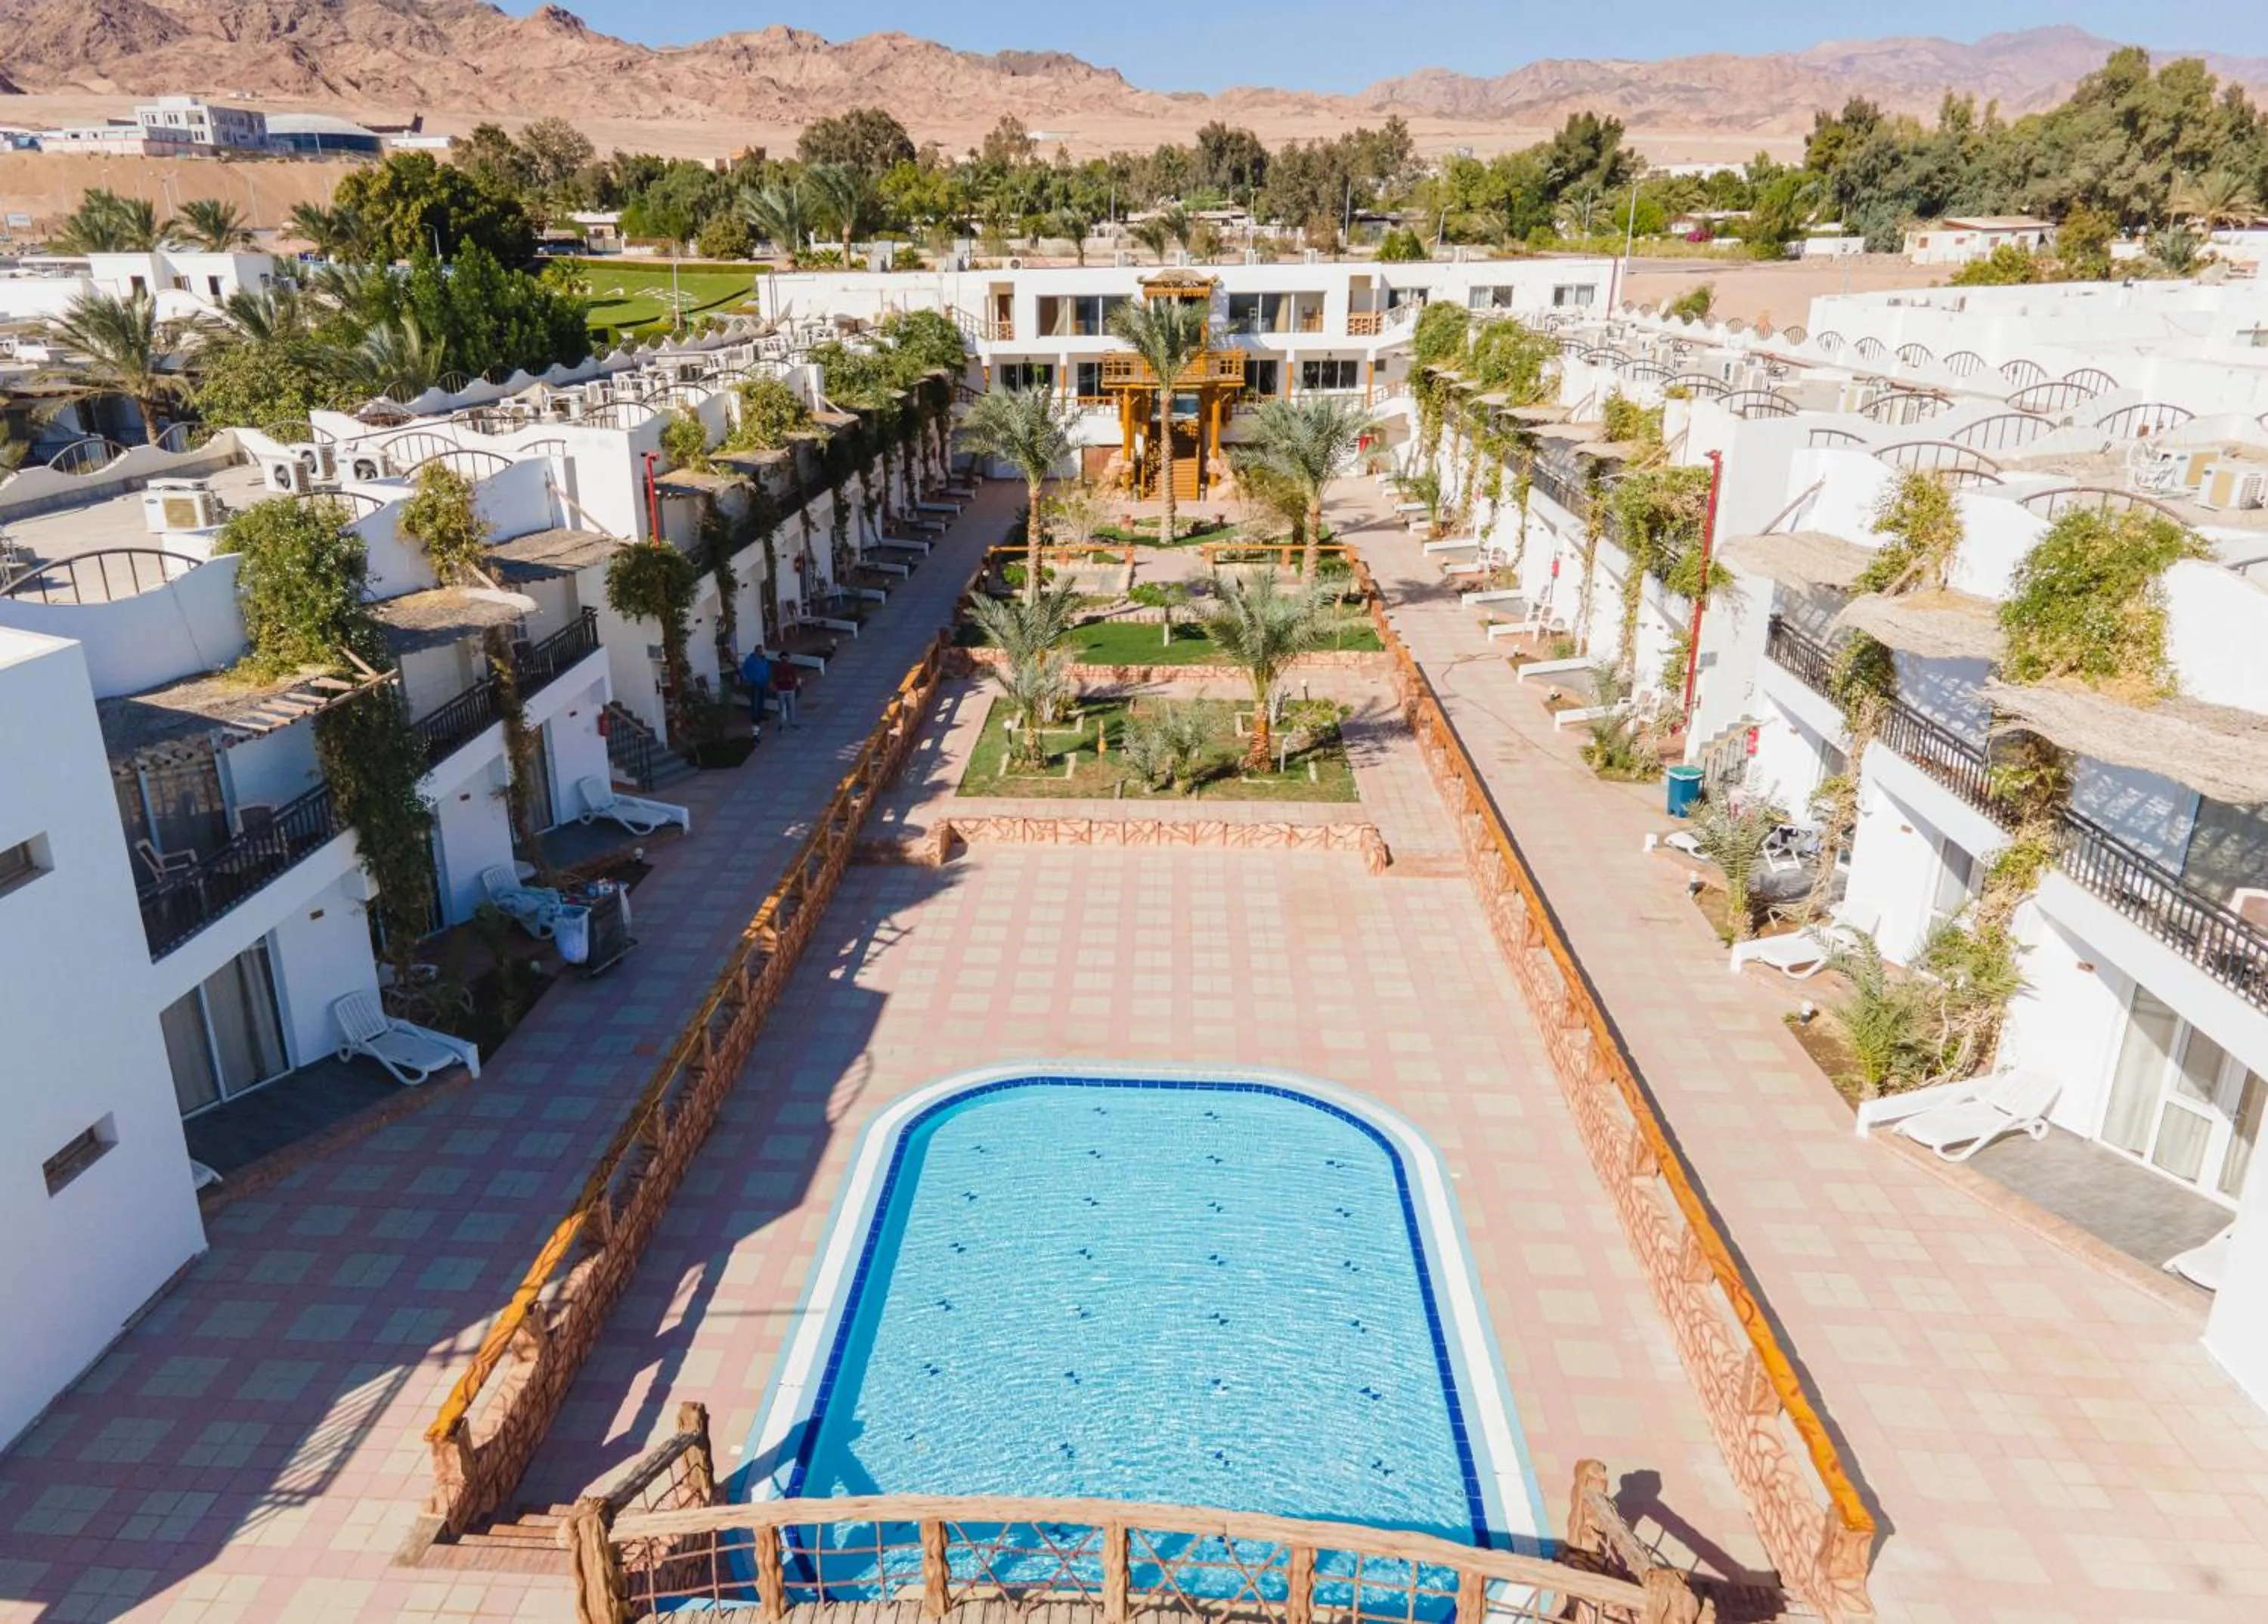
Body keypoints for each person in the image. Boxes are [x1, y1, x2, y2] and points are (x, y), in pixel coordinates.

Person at [739, 647, 771, 742]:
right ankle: (755, 716)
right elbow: (743, 671)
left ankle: (761, 714)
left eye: (762, 651)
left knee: (761, 700)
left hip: (763, 683)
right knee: (755, 700)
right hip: (754, 684)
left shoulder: (764, 659)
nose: (761, 652)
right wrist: (747, 680)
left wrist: (768, 679)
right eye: (760, 651)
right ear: (756, 651)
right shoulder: (750, 660)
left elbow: (767, 669)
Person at [772, 661, 802, 730]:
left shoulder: (791, 669)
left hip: (789, 690)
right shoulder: (778, 670)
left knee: (790, 707)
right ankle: (782, 724)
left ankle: (791, 723)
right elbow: (774, 679)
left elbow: (795, 678)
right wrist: (776, 688)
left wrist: (794, 687)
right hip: (782, 690)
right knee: (782, 707)